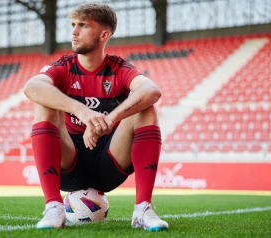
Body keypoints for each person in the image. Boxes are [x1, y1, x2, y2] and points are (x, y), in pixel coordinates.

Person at [23, 3, 168, 231]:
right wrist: (82, 111)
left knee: (147, 108)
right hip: (69, 164)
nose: (74, 31)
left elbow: (152, 90)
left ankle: (143, 209)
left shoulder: (118, 68)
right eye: (73, 25)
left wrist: (109, 120)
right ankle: (53, 207)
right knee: (44, 105)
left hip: (108, 163)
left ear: (104, 34)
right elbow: (32, 87)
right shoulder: (63, 67)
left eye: (83, 25)